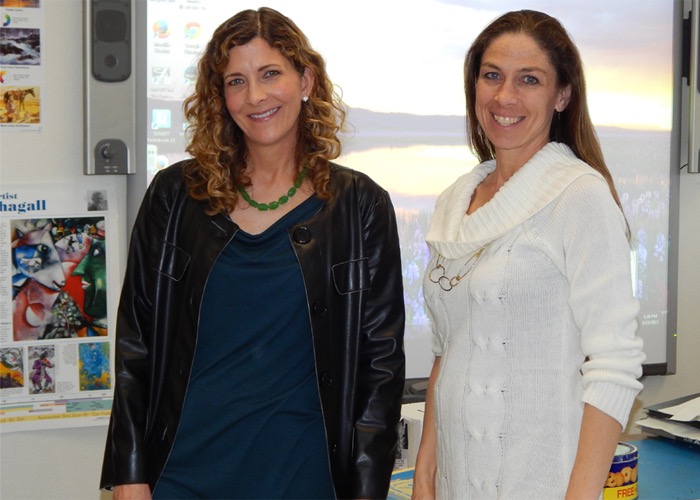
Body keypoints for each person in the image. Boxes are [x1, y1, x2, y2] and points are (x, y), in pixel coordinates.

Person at [99, 7, 405, 500]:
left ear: (306, 80)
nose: (255, 96)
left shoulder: (360, 205)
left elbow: (381, 368)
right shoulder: (174, 196)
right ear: (220, 97)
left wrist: (366, 492)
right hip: (181, 475)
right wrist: (128, 474)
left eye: (270, 74)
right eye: (236, 82)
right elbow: (137, 345)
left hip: (305, 478)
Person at [412, 10, 645, 500]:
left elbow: (615, 365)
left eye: (529, 79)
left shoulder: (579, 196)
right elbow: (446, 354)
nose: (505, 97)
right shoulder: (455, 200)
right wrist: (425, 478)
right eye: (492, 75)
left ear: (562, 95)